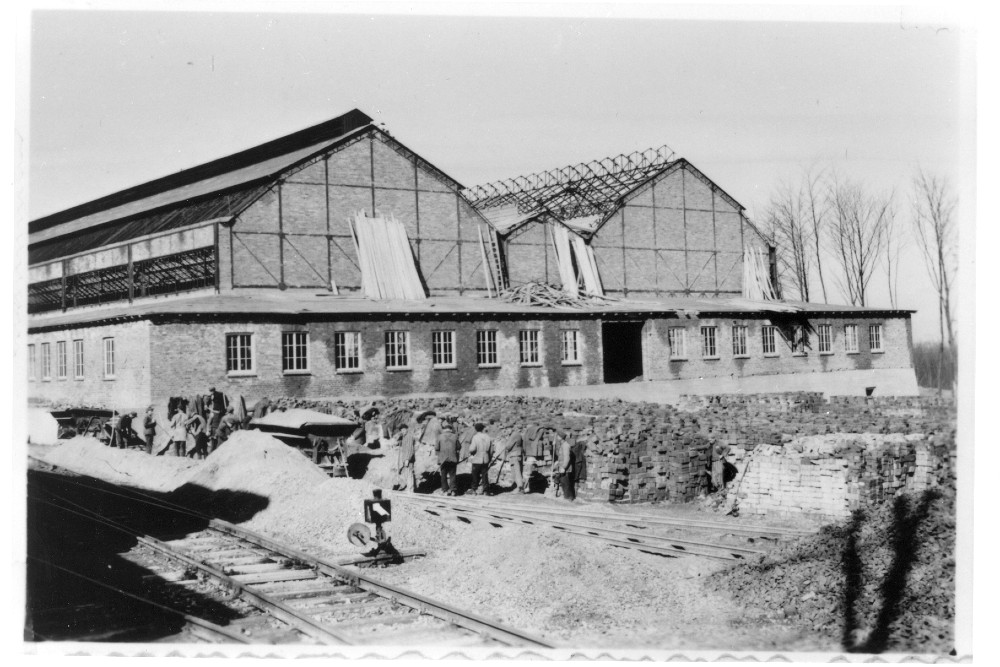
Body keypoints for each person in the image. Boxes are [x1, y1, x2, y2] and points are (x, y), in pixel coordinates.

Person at [468, 423, 493, 496]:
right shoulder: (488, 437)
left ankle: (474, 489)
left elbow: (472, 449)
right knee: (485, 475)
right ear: (483, 429)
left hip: (477, 458)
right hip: (485, 458)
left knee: (475, 475)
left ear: (475, 429)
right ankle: (486, 491)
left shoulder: (475, 437)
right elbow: (491, 450)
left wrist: (471, 452)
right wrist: (489, 457)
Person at [435, 421, 459, 495]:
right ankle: (453, 490)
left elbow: (436, 448)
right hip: (453, 458)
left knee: (443, 474)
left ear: (444, 429)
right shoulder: (455, 436)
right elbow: (459, 447)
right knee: (452, 474)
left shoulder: (440, 436)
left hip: (443, 459)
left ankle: (445, 490)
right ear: (450, 429)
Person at [552, 430, 576, 501]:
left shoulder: (565, 445)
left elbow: (567, 457)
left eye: (557, 436)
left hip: (565, 467)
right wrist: (557, 462)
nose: (556, 437)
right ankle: (567, 497)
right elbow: (561, 456)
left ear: (560, 437)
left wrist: (564, 467)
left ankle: (569, 498)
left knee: (566, 483)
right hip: (561, 465)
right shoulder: (562, 444)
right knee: (563, 482)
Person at [522, 424, 545, 493]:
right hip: (532, 456)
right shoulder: (538, 433)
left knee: (526, 473)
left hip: (529, 455)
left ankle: (526, 488)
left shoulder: (527, 435)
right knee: (528, 473)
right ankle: (526, 488)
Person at [394, 423, 417, 492]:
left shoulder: (409, 436)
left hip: (408, 459)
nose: (403, 431)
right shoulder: (404, 437)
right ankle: (408, 487)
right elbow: (399, 443)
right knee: (407, 473)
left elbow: (410, 449)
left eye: (404, 429)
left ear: (406, 429)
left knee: (409, 473)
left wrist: (407, 459)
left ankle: (410, 489)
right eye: (401, 430)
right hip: (405, 458)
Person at [504, 429, 526, 493]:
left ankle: (519, 487)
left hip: (514, 455)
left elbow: (508, 446)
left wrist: (507, 439)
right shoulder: (518, 434)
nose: (507, 431)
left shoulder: (513, 435)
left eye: (507, 429)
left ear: (511, 428)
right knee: (519, 471)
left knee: (516, 472)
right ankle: (519, 487)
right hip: (519, 454)